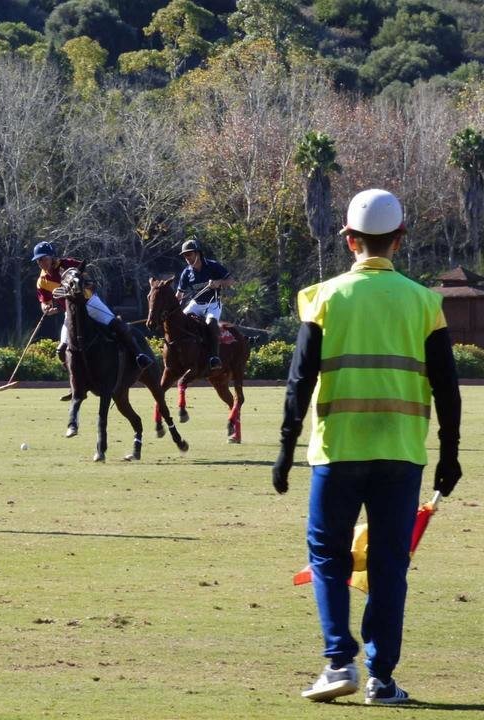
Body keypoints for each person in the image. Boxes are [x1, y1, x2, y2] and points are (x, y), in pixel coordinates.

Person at [271, 189, 462, 705]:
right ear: (399, 241)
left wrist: (286, 447)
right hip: (402, 455)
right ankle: (381, 679)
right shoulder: (425, 303)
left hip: (337, 452)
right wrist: (450, 453)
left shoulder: (322, 297)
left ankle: (338, 665)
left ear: (350, 240)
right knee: (389, 565)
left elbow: (298, 381)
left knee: (328, 558)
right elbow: (447, 386)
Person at [31, 241, 153, 372]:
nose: (41, 263)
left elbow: (90, 283)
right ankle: (77, 376)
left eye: (43, 259)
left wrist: (80, 285)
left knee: (117, 325)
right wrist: (47, 309)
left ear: (52, 256)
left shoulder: (70, 265)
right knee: (61, 349)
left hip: (89, 303)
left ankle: (139, 355)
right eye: (38, 260)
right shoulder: (42, 281)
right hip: (71, 312)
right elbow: (45, 303)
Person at [176, 239, 233, 371]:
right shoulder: (187, 273)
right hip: (196, 304)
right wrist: (173, 306)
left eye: (189, 254)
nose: (187, 258)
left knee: (210, 323)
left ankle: (214, 357)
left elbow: (231, 281)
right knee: (179, 322)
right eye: (185, 255)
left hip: (212, 304)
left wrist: (218, 282)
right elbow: (179, 294)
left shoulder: (213, 266)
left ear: (197, 253)